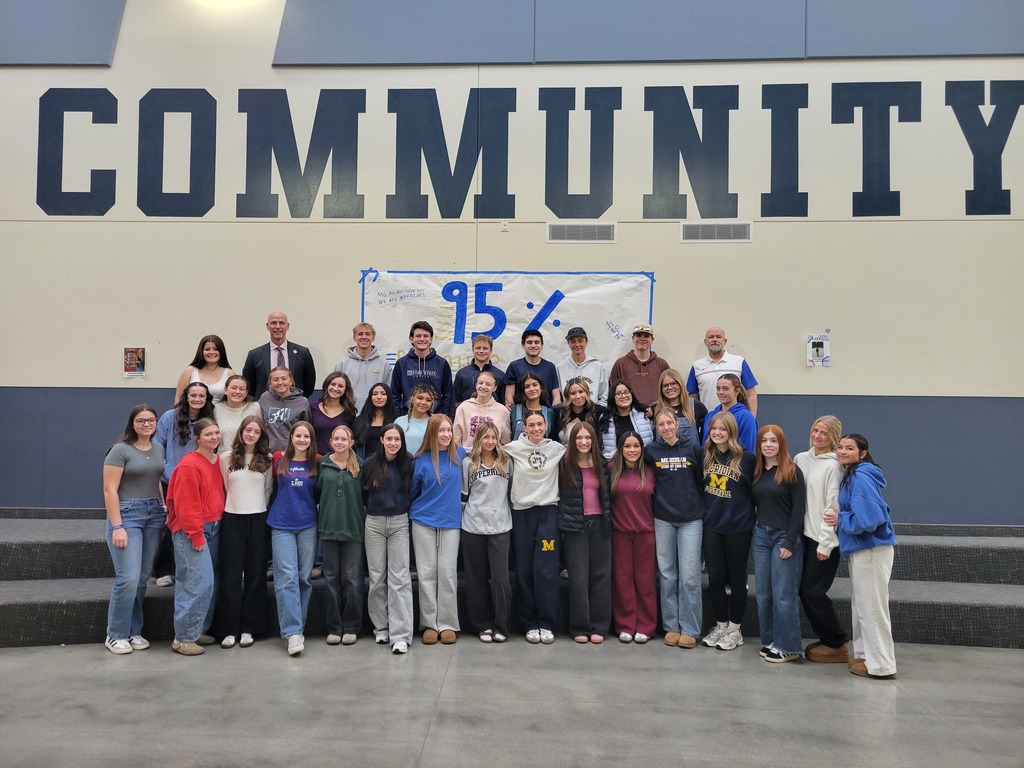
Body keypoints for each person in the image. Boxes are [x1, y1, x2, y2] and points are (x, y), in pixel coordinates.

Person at [827, 434, 897, 680]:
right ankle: (865, 657)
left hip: (871, 550)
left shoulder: (860, 477)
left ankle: (882, 666)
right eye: (840, 447)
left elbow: (870, 518)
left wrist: (841, 519)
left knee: (872, 609)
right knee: (863, 606)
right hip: (863, 550)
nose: (843, 451)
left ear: (863, 453)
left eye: (849, 448)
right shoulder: (853, 475)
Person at [102, 405, 165, 655]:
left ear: (156, 422)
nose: (146, 424)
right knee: (127, 577)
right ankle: (115, 634)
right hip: (127, 515)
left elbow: (156, 481)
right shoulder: (120, 450)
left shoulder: (158, 448)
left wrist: (163, 506)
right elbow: (109, 490)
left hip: (154, 515)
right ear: (133, 423)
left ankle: (133, 630)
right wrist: (117, 526)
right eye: (141, 420)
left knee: (140, 578)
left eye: (151, 420)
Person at [504, 410, 567, 644]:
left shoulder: (557, 450)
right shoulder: (513, 448)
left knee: (546, 570)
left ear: (546, 426)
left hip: (548, 513)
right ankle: (529, 623)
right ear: (524, 428)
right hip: (521, 514)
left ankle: (546, 622)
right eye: (531, 425)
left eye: (540, 424)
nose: (536, 429)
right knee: (524, 570)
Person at [644, 408, 704, 649]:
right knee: (667, 575)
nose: (666, 427)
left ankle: (690, 628)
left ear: (677, 425)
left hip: (691, 519)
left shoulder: (692, 448)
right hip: (663, 519)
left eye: (669, 423)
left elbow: (701, 481)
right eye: (661, 424)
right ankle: (671, 626)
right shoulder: (651, 451)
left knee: (689, 577)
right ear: (656, 428)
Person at [165, 418, 225, 656]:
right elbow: (185, 504)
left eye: (216, 433)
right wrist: (195, 534)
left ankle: (196, 629)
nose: (214, 437)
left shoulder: (216, 460)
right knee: (195, 583)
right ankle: (183, 638)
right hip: (193, 530)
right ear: (197, 438)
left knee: (209, 582)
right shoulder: (189, 465)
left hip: (214, 526)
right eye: (208, 434)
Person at [699, 411, 756, 652]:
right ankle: (721, 626)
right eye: (714, 428)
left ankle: (735, 629)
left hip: (738, 528)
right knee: (715, 579)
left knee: (736, 579)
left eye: (722, 429)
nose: (717, 433)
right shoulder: (706, 457)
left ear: (731, 431)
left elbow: (756, 493)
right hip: (712, 526)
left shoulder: (747, 459)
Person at [215, 415, 273, 649]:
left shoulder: (267, 459)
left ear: (261, 436)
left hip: (258, 519)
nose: (251, 434)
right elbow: (223, 487)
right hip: (232, 519)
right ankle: (228, 629)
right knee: (230, 575)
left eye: (256, 432)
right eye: (248, 430)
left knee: (256, 574)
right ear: (241, 432)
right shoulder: (225, 458)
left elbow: (268, 490)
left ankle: (250, 628)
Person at [794, 415, 849, 663]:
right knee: (804, 591)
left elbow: (832, 507)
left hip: (822, 540)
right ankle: (829, 640)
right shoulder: (800, 459)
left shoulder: (834, 465)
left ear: (834, 438)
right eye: (815, 430)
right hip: (802, 536)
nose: (817, 436)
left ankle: (836, 642)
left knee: (812, 592)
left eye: (824, 433)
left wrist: (826, 543)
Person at [751, 424, 806, 663]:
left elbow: (799, 510)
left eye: (773, 441)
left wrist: (790, 541)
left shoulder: (792, 470)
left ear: (781, 444)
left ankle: (789, 647)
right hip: (761, 536)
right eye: (764, 441)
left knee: (784, 594)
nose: (768, 445)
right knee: (763, 593)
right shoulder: (757, 471)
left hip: (784, 537)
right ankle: (770, 641)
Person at [410, 415, 465, 645]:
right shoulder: (420, 460)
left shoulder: (461, 455)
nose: (446, 435)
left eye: (449, 430)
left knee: (447, 573)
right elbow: (413, 491)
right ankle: (429, 623)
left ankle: (448, 623)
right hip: (423, 520)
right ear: (432, 432)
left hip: (451, 522)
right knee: (426, 573)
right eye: (441, 431)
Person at [152, 381, 214, 586]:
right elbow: (156, 447)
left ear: (207, 399)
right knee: (172, 525)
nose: (197, 399)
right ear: (186, 396)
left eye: (201, 396)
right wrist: (172, 473)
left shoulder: (209, 420)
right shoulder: (170, 417)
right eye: (193, 395)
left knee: (194, 524)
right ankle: (162, 570)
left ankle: (186, 569)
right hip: (172, 479)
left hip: (197, 482)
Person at [267, 421, 320, 656]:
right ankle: (292, 632)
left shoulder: (318, 461)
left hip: (308, 524)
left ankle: (299, 626)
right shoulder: (279, 458)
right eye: (298, 435)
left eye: (306, 436)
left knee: (303, 579)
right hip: (282, 525)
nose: (301, 440)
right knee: (286, 578)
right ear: (291, 438)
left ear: (311, 439)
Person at [362, 423, 414, 654]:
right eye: (389, 439)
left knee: (400, 578)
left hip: (399, 522)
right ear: (382, 440)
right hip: (373, 523)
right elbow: (364, 494)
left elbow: (411, 492)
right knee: (376, 578)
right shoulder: (370, 464)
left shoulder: (408, 463)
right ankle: (381, 627)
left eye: (397, 439)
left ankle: (401, 634)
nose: (393, 443)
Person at [558, 421, 612, 644]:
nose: (583, 442)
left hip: (600, 525)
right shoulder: (564, 464)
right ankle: (580, 626)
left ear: (593, 440)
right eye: (579, 438)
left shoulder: (602, 464)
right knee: (579, 579)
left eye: (587, 438)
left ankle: (599, 626)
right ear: (572, 441)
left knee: (600, 578)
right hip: (575, 527)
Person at [460, 422, 513, 643]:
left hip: (500, 526)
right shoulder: (467, 463)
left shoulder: (507, 462)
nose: (490, 441)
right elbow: (463, 496)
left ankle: (501, 625)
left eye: (494, 437)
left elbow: (510, 492)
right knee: (476, 579)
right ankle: (482, 625)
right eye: (486, 437)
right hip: (472, 526)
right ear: (478, 438)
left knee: (501, 579)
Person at [316, 425, 366, 646]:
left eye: (343, 439)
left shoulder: (361, 467)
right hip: (328, 529)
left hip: (353, 529)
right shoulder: (322, 465)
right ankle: (335, 627)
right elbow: (316, 493)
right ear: (330, 441)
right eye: (335, 438)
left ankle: (352, 626)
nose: (339, 442)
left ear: (351, 442)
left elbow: (365, 497)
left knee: (352, 580)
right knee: (331, 580)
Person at [608, 431, 657, 644]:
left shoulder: (650, 472)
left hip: (646, 533)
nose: (632, 450)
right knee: (623, 580)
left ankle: (645, 626)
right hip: (620, 533)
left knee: (645, 582)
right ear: (620, 449)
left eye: (636, 446)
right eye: (627, 446)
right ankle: (625, 625)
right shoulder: (612, 471)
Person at [242, 311, 317, 399]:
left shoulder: (303, 353)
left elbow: (309, 384)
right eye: (273, 323)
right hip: (264, 407)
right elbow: (248, 384)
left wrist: (297, 400)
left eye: (281, 323)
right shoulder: (254, 355)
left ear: (287, 326)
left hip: (294, 406)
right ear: (267, 326)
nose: (277, 327)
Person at [686, 326, 759, 416]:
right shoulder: (697, 366)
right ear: (705, 342)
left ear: (725, 341)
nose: (715, 339)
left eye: (718, 337)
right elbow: (692, 397)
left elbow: (751, 394)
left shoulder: (739, 362)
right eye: (711, 337)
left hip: (735, 419)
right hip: (708, 420)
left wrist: (752, 417)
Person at [391, 320, 453, 417]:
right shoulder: (401, 364)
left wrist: (444, 418)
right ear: (411, 339)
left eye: (426, 336)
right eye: (418, 336)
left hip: (434, 419)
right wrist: (398, 418)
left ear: (431, 339)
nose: (422, 339)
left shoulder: (442, 364)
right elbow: (394, 395)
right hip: (407, 418)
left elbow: (448, 395)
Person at [333, 322, 393, 412]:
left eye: (368, 334)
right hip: (347, 413)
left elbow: (388, 393)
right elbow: (335, 391)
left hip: (374, 415)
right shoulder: (343, 364)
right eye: (360, 334)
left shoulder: (384, 366)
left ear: (373, 338)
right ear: (354, 338)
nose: (364, 337)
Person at [608, 323, 670, 408]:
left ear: (652, 339)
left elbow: (669, 391)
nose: (642, 338)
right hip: (628, 413)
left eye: (646, 336)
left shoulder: (662, 364)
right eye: (639, 335)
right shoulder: (620, 364)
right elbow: (612, 392)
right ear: (633, 338)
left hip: (657, 413)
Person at [503, 329, 562, 408]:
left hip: (546, 415)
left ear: (542, 345)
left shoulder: (550, 367)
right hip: (521, 416)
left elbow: (556, 396)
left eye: (537, 342)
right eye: (529, 342)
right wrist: (515, 414)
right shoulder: (514, 366)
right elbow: (509, 397)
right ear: (523, 345)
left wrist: (553, 413)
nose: (533, 345)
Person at [453, 369, 511, 450]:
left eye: (488, 384)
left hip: (493, 457)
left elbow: (506, 441)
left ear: (494, 388)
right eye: (480, 383)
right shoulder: (463, 408)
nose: (483, 387)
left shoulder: (503, 411)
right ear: (476, 385)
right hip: (468, 455)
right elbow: (456, 438)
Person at [258, 366, 311, 453]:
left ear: (291, 381)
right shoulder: (264, 398)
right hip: (267, 453)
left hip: (292, 452)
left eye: (284, 379)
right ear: (270, 383)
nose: (280, 382)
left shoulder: (302, 402)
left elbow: (306, 429)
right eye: (275, 380)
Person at [702, 373, 758, 452]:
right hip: (710, 462)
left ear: (737, 391)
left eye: (725, 389)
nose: (720, 392)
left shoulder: (746, 417)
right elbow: (704, 446)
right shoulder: (710, 416)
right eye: (718, 388)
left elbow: (747, 449)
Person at [599, 379, 654, 459]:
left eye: (626, 392)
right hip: (615, 465)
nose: (624, 396)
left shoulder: (644, 414)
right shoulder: (605, 418)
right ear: (612, 397)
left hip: (643, 463)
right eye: (618, 394)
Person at [173, 334, 234, 405]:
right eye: (207, 349)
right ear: (201, 351)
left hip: (220, 415)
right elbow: (178, 399)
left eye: (216, 349)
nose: (211, 352)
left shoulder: (229, 373)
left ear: (221, 351)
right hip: (193, 415)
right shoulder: (190, 371)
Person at [556, 327, 609, 408]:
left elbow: (604, 397)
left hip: (592, 414)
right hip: (569, 416)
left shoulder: (598, 367)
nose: (577, 345)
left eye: (580, 341)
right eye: (573, 341)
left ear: (586, 342)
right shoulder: (560, 368)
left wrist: (596, 412)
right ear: (568, 343)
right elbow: (558, 397)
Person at [653, 368, 705, 445]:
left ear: (680, 384)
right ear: (661, 389)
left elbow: (706, 433)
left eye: (673, 383)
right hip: (663, 455)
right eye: (665, 385)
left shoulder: (696, 406)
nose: (670, 388)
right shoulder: (655, 409)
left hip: (691, 456)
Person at [310, 371, 356, 456]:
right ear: (327, 385)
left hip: (339, 462)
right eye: (333, 384)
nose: (335, 388)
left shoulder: (349, 412)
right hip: (315, 459)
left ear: (345, 390)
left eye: (340, 386)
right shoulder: (312, 408)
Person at [452, 333, 505, 405]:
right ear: (473, 350)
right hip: (467, 414)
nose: (481, 351)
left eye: (485, 348)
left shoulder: (500, 375)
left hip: (492, 414)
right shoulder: (462, 374)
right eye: (478, 348)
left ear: (491, 351)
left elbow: (503, 402)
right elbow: (455, 400)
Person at [214, 374, 263, 449]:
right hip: (223, 457)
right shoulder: (216, 409)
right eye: (234, 388)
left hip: (248, 456)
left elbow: (260, 434)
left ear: (246, 393)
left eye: (242, 389)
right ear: (225, 390)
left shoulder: (255, 407)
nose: (237, 391)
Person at [352, 382, 398, 459]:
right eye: (375, 394)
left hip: (388, 465)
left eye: (383, 394)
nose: (379, 397)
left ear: (389, 397)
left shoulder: (396, 421)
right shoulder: (359, 421)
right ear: (370, 397)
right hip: (365, 466)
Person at [555, 377, 605, 444]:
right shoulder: (559, 412)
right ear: (567, 396)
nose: (578, 396)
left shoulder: (598, 411)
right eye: (573, 393)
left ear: (587, 393)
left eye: (581, 392)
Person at [509, 372, 557, 440]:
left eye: (535, 385)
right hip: (517, 450)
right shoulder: (513, 410)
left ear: (541, 388)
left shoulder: (549, 412)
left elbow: (553, 438)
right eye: (527, 387)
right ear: (523, 391)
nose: (531, 389)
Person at [397, 383, 435, 454]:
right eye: (420, 398)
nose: (423, 402)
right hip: (405, 463)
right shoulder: (399, 422)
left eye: (428, 400)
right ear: (412, 399)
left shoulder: (436, 421)